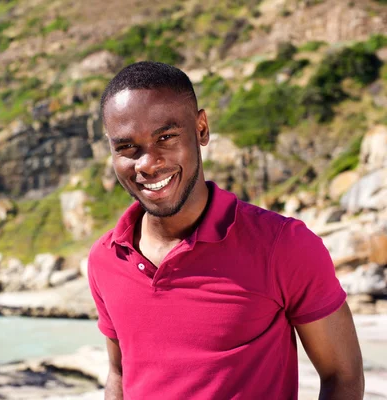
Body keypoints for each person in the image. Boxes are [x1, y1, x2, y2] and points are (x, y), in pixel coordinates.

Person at [87, 61, 364, 399]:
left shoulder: (284, 245)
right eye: (127, 147)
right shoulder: (105, 259)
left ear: (201, 129)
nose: (148, 162)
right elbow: (119, 374)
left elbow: (343, 377)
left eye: (166, 137)